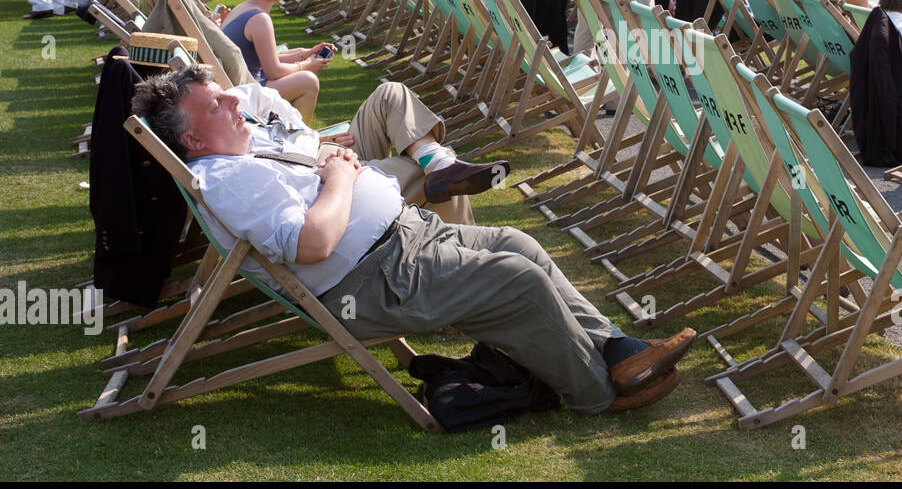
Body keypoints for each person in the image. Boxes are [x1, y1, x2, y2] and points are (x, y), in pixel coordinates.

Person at [131, 64, 695, 414]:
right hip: (374, 281)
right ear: (193, 141)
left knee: (519, 245)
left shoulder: (240, 151)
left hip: (403, 240)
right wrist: (343, 176)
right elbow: (312, 245)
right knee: (517, 281)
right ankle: (597, 394)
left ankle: (619, 352)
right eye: (215, 105)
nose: (234, 101)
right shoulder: (227, 178)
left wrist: (337, 167)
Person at [220, 0, 332, 120]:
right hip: (246, 91)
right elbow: (273, 71)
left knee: (302, 73)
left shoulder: (243, 8)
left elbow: (264, 58)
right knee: (308, 81)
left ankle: (286, 130)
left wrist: (305, 54)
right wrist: (306, 65)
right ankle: (301, 140)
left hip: (237, 82)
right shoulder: (260, 19)